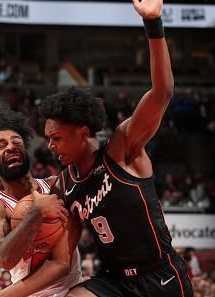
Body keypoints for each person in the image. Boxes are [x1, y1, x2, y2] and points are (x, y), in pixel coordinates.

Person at [38, 1, 193, 296]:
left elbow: (162, 93)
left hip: (159, 276)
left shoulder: (123, 147)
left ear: (82, 132)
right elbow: (58, 257)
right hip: (115, 281)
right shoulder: (65, 184)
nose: (50, 146)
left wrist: (153, 24)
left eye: (56, 137)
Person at [0, 103, 82, 297]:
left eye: (17, 142)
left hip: (72, 290)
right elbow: (5, 258)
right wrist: (35, 214)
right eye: (0, 146)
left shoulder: (58, 185)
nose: (10, 147)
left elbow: (61, 264)